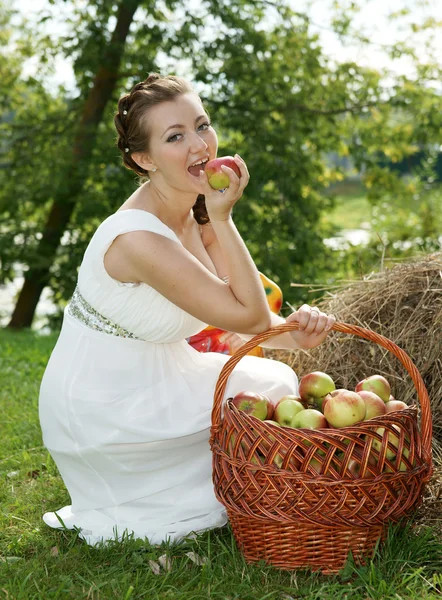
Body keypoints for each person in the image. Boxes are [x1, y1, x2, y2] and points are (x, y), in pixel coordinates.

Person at [38, 73, 335, 547]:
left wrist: (293, 334)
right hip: (104, 406)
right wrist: (224, 216)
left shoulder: (195, 209)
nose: (199, 145)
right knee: (262, 406)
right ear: (144, 159)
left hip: (161, 375)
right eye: (175, 137)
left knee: (274, 383)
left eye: (202, 125)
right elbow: (250, 319)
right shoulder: (137, 238)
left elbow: (246, 314)